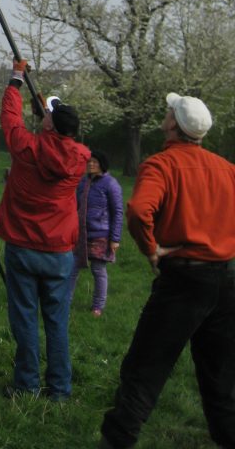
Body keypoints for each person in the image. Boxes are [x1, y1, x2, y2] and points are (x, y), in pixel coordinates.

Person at [99, 93, 235, 449]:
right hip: (225, 281)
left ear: (173, 123)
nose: (165, 114)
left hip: (184, 282)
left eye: (169, 111)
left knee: (145, 369)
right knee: (221, 378)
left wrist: (151, 249)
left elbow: (138, 211)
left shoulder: (161, 165)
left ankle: (117, 440)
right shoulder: (227, 169)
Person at [0, 60, 90, 401]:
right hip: (59, 251)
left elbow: (10, 120)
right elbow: (55, 141)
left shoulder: (28, 148)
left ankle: (27, 385)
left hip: (23, 246)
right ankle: (60, 389)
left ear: (50, 125)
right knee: (57, 322)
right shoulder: (79, 159)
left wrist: (16, 80)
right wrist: (46, 113)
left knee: (24, 318)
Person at [68, 149, 123, 317]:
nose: (91, 164)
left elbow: (117, 212)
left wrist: (115, 238)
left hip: (101, 235)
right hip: (81, 233)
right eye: (89, 161)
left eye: (95, 162)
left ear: (102, 164)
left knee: (98, 270)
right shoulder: (83, 182)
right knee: (71, 269)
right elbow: (75, 205)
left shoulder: (110, 184)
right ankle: (65, 302)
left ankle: (98, 306)